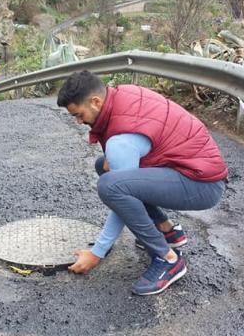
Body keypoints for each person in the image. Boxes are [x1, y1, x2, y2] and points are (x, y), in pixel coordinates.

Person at [57, 70, 228, 295]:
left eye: (79, 115)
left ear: (96, 102)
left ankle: (168, 259)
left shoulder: (121, 141)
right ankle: (167, 230)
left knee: (110, 186)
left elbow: (119, 194)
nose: (79, 122)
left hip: (201, 184)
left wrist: (97, 252)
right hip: (192, 168)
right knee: (104, 166)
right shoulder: (122, 94)